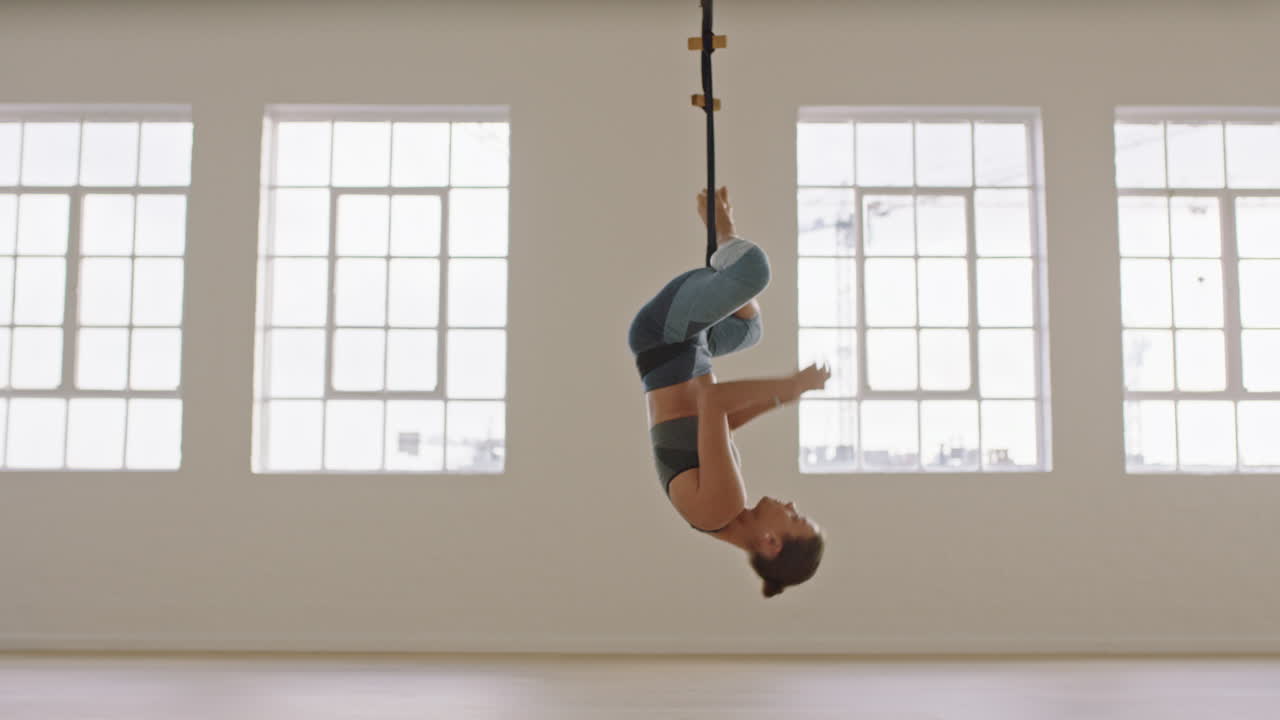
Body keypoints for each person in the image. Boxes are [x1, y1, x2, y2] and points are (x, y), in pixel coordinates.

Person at [627, 187, 829, 598]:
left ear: (771, 542)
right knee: (749, 330)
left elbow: (712, 403)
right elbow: (714, 426)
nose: (791, 505)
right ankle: (723, 242)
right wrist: (779, 400)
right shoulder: (720, 514)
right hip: (689, 348)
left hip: (665, 338)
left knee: (753, 272)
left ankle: (723, 232)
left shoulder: (721, 507)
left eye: (795, 517)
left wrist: (790, 383)